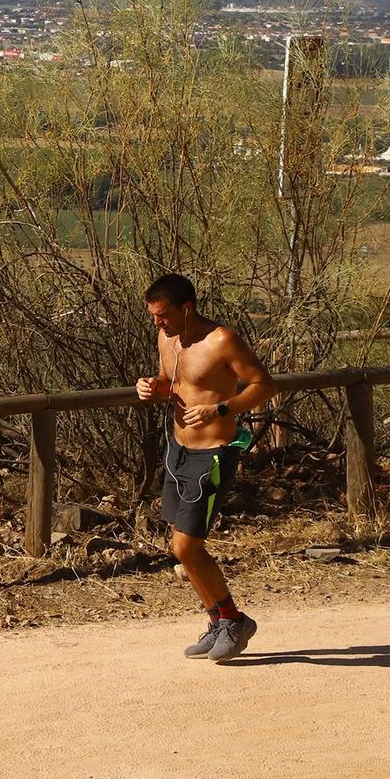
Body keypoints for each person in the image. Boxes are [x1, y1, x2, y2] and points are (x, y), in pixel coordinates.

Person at [135, 273, 277, 664]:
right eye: (153, 316)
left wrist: (222, 408)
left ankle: (234, 620)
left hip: (214, 453)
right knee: (181, 549)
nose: (157, 323)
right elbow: (172, 383)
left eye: (162, 315)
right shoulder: (167, 339)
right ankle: (218, 622)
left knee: (186, 545)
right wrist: (151, 387)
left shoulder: (222, 341)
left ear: (187, 308)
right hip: (178, 450)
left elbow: (264, 385)